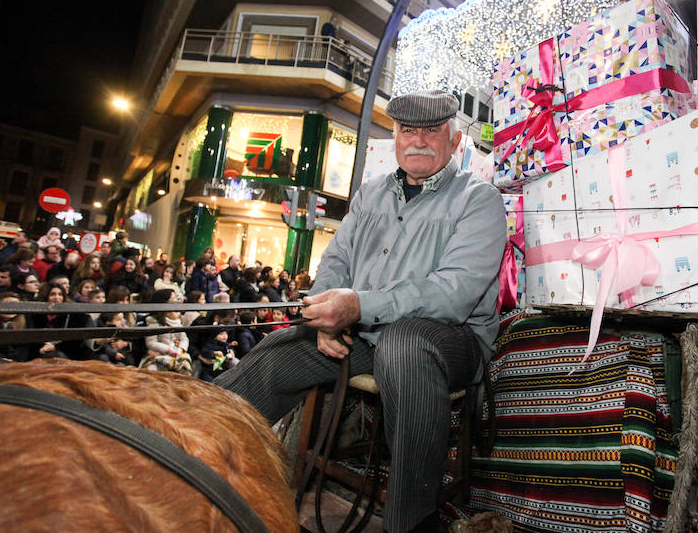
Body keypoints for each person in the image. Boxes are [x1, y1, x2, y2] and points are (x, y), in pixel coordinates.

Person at [216, 90, 506, 533]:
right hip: (369, 334)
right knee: (281, 347)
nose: (419, 141)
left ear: (455, 140)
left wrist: (357, 306)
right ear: (395, 136)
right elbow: (335, 261)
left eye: (432, 131)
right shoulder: (370, 195)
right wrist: (325, 315)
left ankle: (413, 521)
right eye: (408, 130)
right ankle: (185, 446)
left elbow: (454, 293)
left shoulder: (478, 200)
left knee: (404, 344)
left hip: (451, 341)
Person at [140, 288, 192, 375]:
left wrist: (180, 348)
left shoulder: (178, 322)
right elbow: (151, 342)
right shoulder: (153, 321)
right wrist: (168, 349)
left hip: (176, 354)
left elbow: (184, 339)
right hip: (159, 353)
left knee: (185, 365)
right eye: (173, 299)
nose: (177, 301)